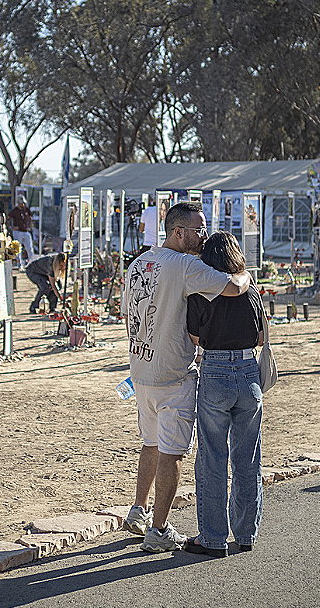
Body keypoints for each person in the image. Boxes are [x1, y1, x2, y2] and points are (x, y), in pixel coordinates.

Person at [121, 201, 251, 553]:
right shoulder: (186, 266)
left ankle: (139, 509)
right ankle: (159, 528)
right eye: (198, 228)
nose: (204, 234)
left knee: (149, 442)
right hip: (173, 375)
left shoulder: (137, 264)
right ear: (179, 232)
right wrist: (246, 274)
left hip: (140, 370)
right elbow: (232, 287)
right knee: (172, 453)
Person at [183, 231, 264, 558]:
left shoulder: (201, 293)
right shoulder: (251, 290)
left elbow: (194, 337)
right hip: (248, 373)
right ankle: (246, 535)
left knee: (212, 459)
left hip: (215, 372)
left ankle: (213, 539)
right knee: (247, 459)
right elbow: (260, 337)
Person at [8, 195, 36, 267]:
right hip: (18, 232)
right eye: (21, 203)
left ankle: (32, 263)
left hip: (26, 231)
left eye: (23, 203)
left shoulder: (26, 209)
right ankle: (19, 263)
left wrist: (30, 225)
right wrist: (11, 227)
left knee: (29, 247)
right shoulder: (14, 211)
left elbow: (30, 217)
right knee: (18, 248)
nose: (22, 204)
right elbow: (8, 218)